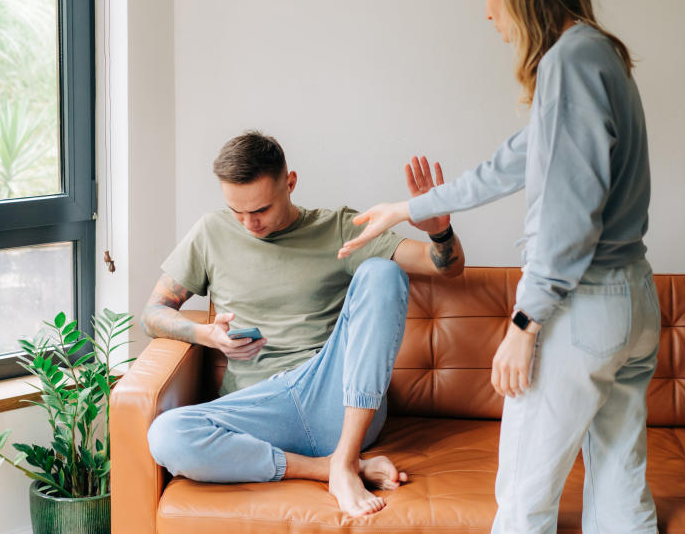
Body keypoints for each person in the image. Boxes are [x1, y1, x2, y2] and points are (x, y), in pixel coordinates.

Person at [338, 0, 660, 533]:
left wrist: (525, 321)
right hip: (633, 302)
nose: (485, 10)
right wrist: (407, 208)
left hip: (582, 308)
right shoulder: (597, 51)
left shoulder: (569, 60)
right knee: (619, 487)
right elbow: (512, 161)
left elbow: (571, 213)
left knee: (523, 497)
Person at [144, 130, 464, 517]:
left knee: (382, 272)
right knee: (166, 435)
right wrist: (205, 334)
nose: (249, 223)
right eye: (237, 212)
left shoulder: (339, 229)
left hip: (334, 397)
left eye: (260, 209)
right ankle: (337, 469)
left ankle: (345, 456)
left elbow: (443, 267)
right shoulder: (211, 232)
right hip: (260, 408)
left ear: (290, 183)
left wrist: (438, 232)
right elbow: (154, 313)